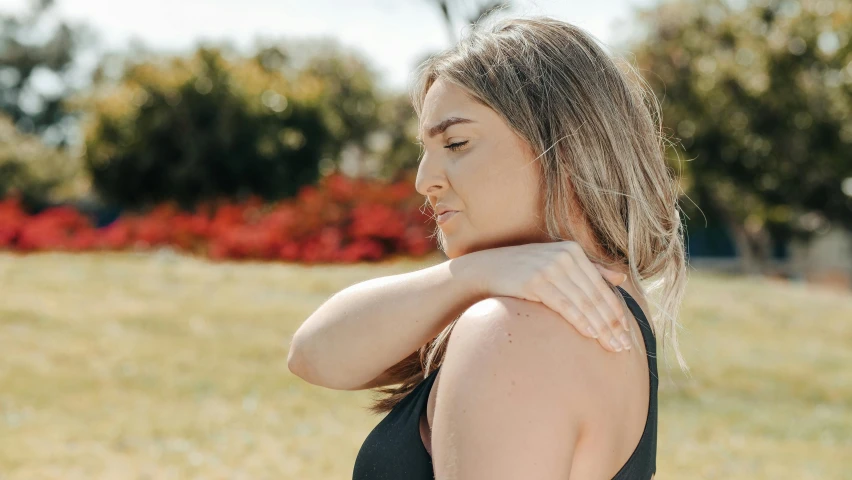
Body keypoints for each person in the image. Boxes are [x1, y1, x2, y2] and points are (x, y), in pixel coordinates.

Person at [288, 15, 688, 480]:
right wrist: (479, 274)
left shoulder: (512, 332)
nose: (424, 180)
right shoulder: (603, 309)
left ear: (564, 145)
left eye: (456, 143)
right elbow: (313, 355)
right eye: (426, 149)